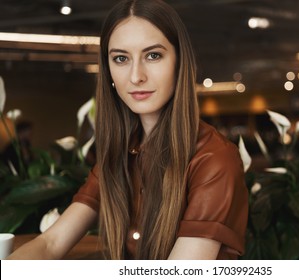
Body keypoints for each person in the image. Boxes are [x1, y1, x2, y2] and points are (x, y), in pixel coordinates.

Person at [8, 0, 248, 260]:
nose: (136, 76)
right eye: (121, 58)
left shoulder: (214, 158)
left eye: (153, 55)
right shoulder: (119, 152)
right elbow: (51, 243)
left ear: (180, 62)